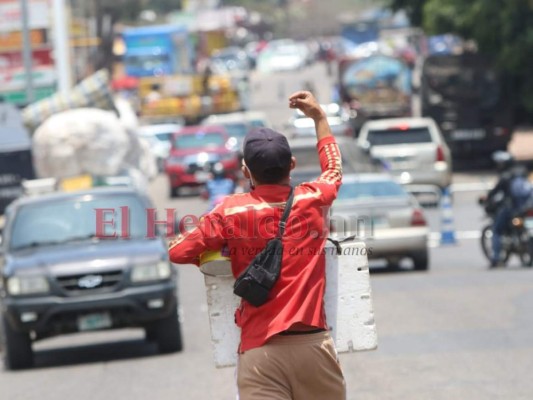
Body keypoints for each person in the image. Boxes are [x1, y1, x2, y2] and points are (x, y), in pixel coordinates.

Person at [168, 91, 345, 399]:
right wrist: (319, 118)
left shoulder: (230, 211)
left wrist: (221, 254)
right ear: (291, 165)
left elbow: (178, 251)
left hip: (260, 352)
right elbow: (333, 170)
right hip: (315, 347)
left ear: (246, 171)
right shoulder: (313, 198)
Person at [487, 151, 533, 267]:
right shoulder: (522, 172)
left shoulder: (505, 177)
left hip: (513, 209)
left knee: (496, 230)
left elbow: (494, 193)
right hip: (528, 206)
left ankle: (496, 258)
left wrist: (488, 200)